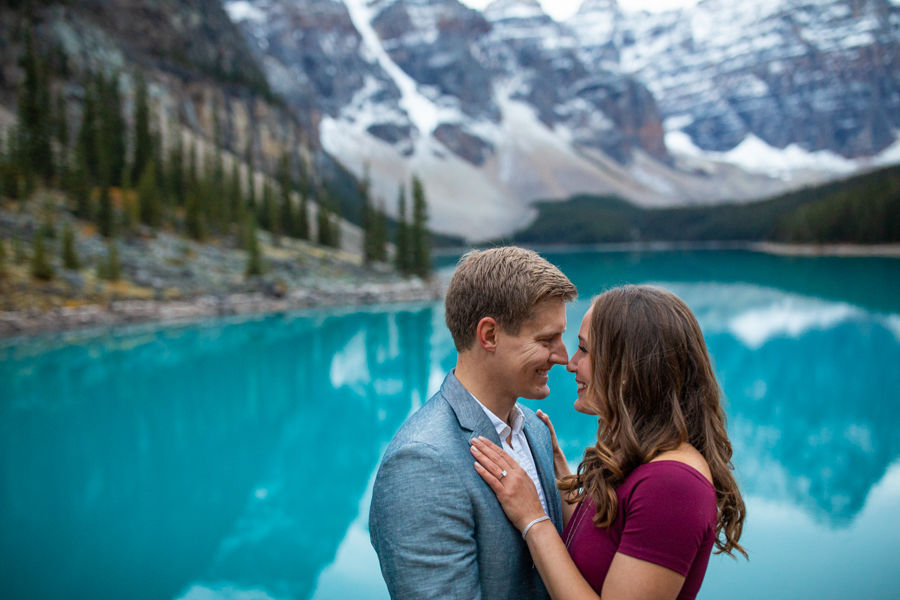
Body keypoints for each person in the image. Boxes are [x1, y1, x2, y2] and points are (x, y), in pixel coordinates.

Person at [470, 285, 747, 600]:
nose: (571, 363)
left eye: (584, 350)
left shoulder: (673, 484)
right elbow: (599, 544)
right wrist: (556, 472)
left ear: (630, 366)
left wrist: (533, 518)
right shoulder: (645, 459)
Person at [369, 246, 578, 600]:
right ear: (490, 336)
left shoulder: (538, 430)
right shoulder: (420, 463)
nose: (563, 356)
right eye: (546, 340)